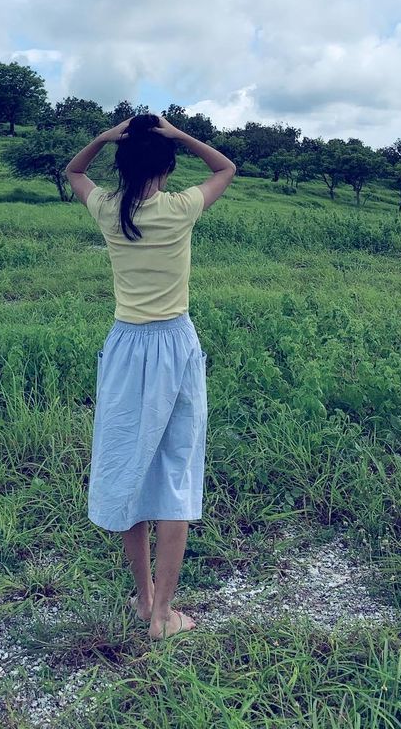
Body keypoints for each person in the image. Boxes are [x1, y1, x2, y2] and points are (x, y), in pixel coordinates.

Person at [65, 113, 236, 640]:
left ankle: (144, 603)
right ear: (166, 165)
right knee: (175, 472)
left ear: (122, 163)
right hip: (174, 346)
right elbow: (226, 167)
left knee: (128, 466)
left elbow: (74, 172)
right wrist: (179, 135)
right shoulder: (180, 209)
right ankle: (164, 615)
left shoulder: (111, 209)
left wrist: (104, 137)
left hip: (124, 347)